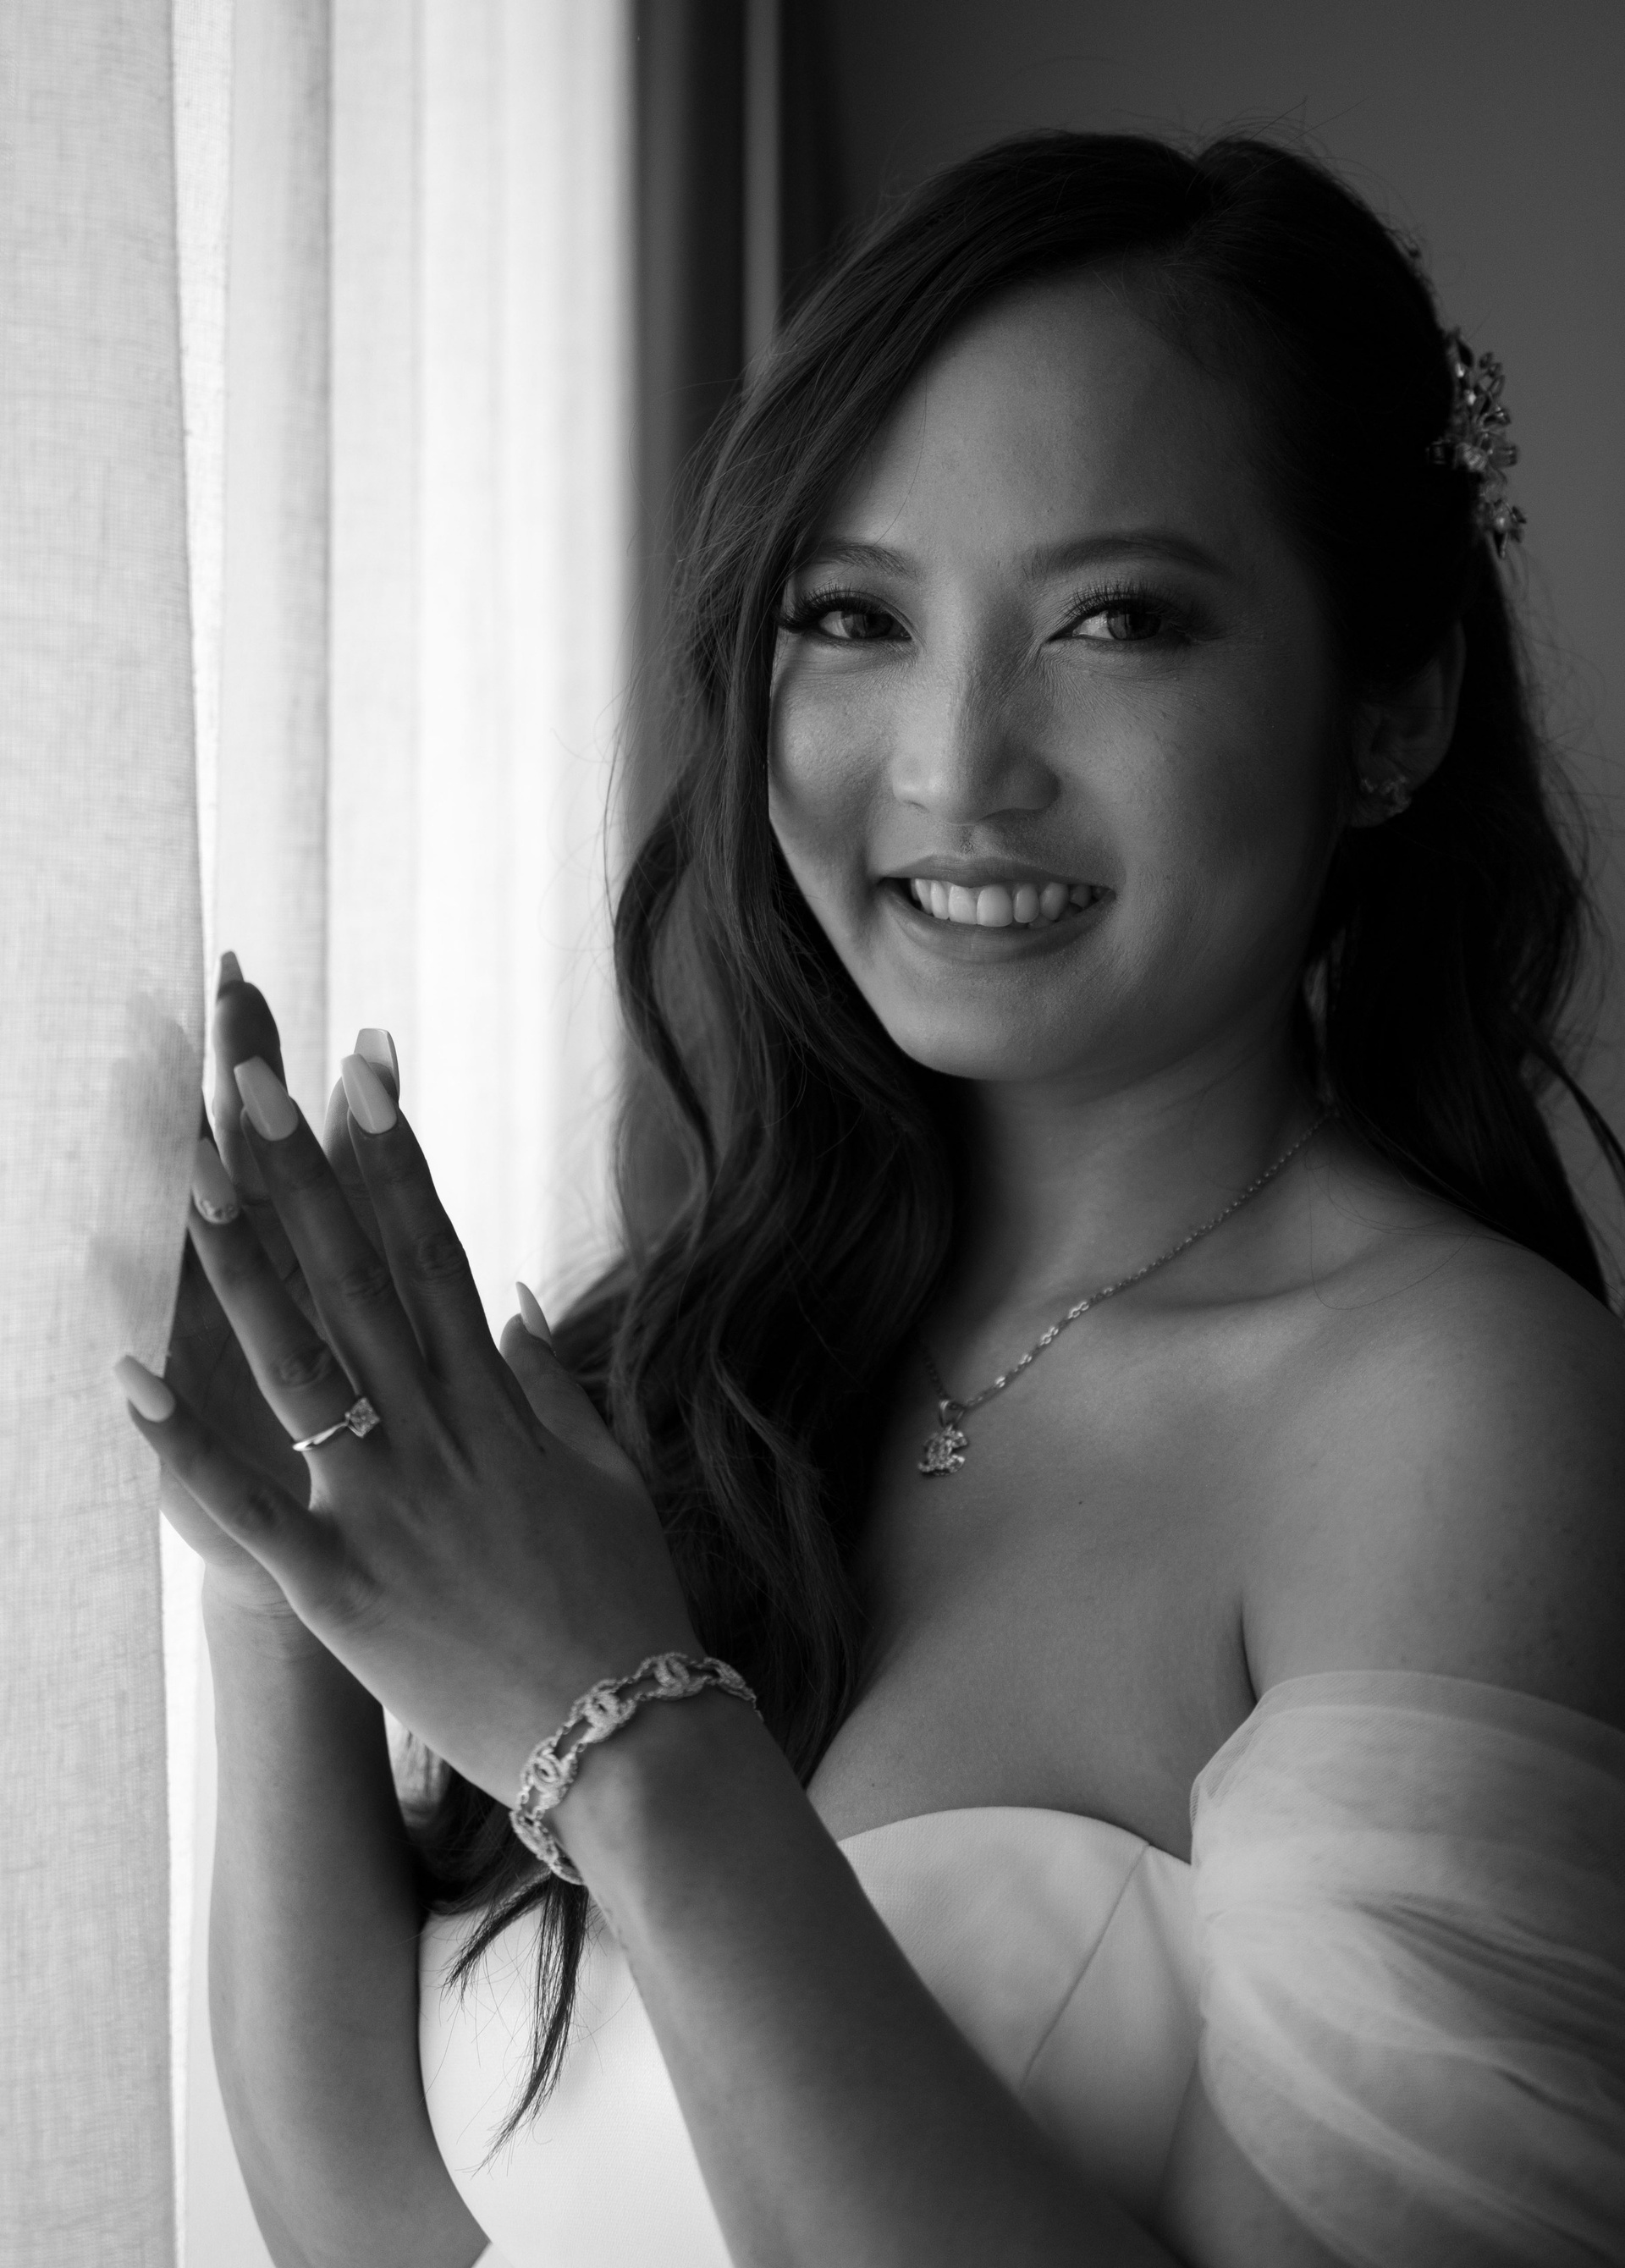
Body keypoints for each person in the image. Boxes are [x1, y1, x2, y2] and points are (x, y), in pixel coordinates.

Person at [122, 132, 1625, 2268]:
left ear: (1391, 710)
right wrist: (282, 1545)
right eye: (853, 618)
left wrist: (624, 1735)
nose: (951, 766)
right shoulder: (700, 1355)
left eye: (1118, 620)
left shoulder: (1461, 1414)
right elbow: (382, 2227)